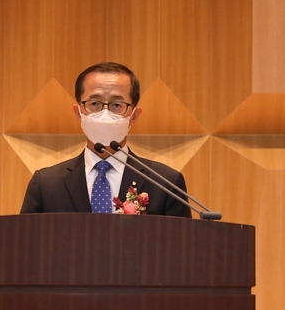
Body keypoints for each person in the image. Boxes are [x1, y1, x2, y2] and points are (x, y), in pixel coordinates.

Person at [19, 62, 192, 217]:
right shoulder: (46, 184)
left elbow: (180, 248)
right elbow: (27, 245)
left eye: (117, 105)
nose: (105, 112)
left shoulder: (166, 183)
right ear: (78, 112)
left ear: (134, 116)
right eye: (94, 104)